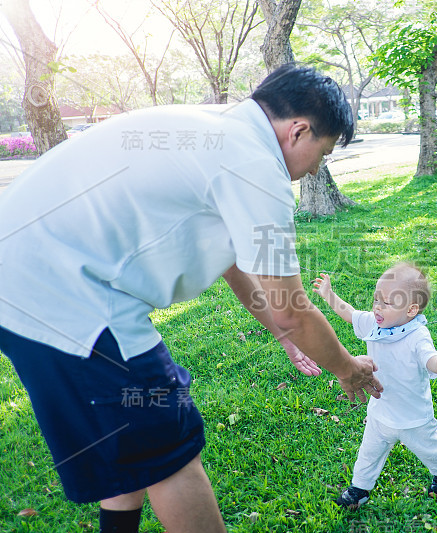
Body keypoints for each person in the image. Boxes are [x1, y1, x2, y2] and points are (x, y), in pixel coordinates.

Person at [0, 64, 383, 533]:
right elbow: (292, 306)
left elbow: (235, 261)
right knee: (168, 445)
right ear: (299, 130)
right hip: (60, 291)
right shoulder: (256, 166)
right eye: (321, 154)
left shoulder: (216, 130)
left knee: (134, 438)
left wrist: (281, 331)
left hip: (25, 275)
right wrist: (348, 368)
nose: (314, 169)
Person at [312, 263, 437, 510]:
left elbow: (428, 357)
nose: (377, 307)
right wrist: (329, 294)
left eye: (387, 303)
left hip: (413, 417)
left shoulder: (417, 335)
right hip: (380, 413)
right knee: (368, 455)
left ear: (411, 310)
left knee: (431, 448)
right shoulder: (374, 324)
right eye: (376, 299)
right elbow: (350, 313)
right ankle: (360, 488)